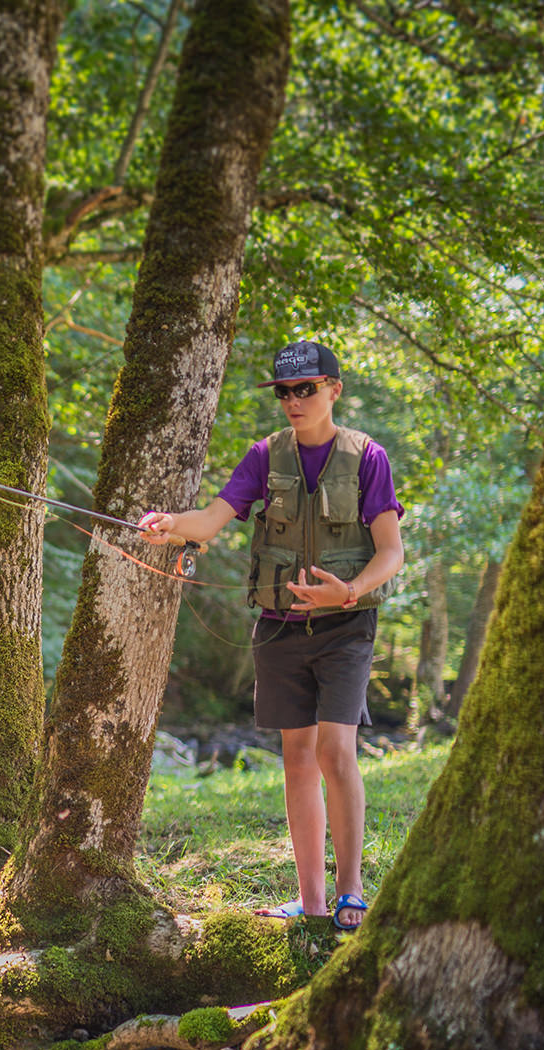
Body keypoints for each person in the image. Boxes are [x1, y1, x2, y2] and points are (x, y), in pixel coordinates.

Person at [138, 340, 405, 929]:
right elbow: (211, 520)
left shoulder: (367, 457)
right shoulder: (265, 456)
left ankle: (351, 891)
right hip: (279, 630)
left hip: (346, 628)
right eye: (284, 392)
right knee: (296, 761)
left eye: (306, 388)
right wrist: (169, 526)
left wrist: (350, 591)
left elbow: (391, 553)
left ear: (334, 390)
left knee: (336, 750)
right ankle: (310, 903)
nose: (293, 400)